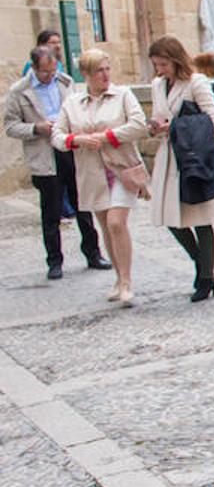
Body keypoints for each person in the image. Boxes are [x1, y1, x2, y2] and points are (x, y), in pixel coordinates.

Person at [51, 49, 148, 304]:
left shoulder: (123, 95)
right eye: (98, 71)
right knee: (105, 226)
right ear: (86, 75)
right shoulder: (72, 103)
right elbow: (57, 136)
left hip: (121, 169)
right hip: (91, 173)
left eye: (107, 68)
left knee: (117, 222)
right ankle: (118, 278)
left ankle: (127, 281)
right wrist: (77, 140)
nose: (105, 75)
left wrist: (108, 137)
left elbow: (139, 124)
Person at [5, 45, 108, 279]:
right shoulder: (19, 91)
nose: (49, 76)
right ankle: (54, 261)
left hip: (71, 149)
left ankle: (93, 253)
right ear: (33, 68)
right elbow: (11, 126)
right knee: (50, 212)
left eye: (52, 71)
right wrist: (35, 128)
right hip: (44, 155)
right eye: (44, 73)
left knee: (83, 205)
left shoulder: (65, 82)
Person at [146, 35, 214, 301]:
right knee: (171, 218)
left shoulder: (196, 83)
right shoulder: (157, 85)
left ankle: (205, 277)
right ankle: (201, 263)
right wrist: (154, 127)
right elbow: (160, 115)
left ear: (175, 60)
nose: (160, 70)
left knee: (200, 218)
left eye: (163, 64)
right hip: (169, 157)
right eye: (156, 65)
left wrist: (175, 126)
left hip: (193, 157)